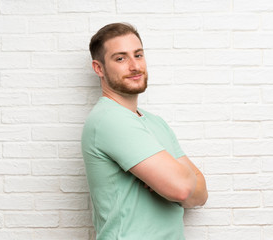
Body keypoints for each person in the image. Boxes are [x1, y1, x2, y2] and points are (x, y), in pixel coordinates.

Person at [81, 22, 208, 240]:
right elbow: (183, 190)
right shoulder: (109, 119)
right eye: (120, 58)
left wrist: (170, 179)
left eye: (138, 55)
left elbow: (201, 194)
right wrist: (175, 176)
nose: (134, 66)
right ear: (99, 68)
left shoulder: (155, 122)